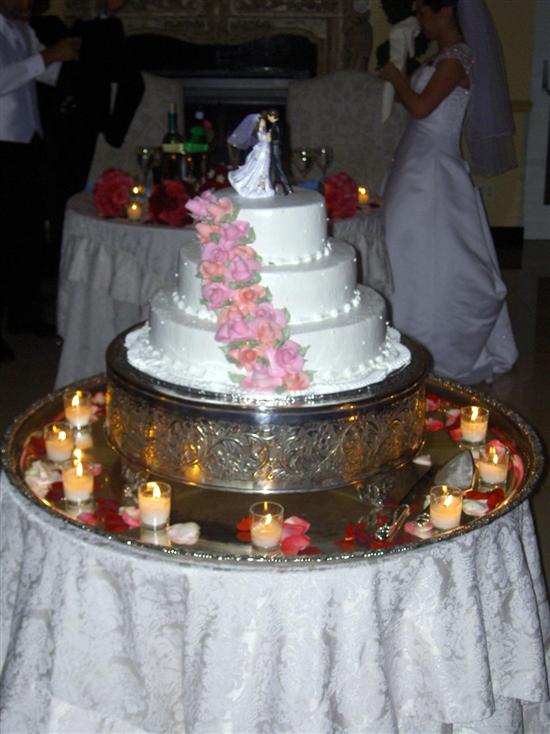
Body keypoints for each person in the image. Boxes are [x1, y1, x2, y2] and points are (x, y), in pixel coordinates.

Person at [380, 0, 518, 384]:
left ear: (445, 12)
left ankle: (432, 342)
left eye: (424, 12)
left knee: (425, 251)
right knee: (404, 248)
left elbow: (422, 108)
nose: (420, 20)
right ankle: (403, 335)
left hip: (433, 167)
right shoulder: (441, 56)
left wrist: (396, 78)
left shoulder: (459, 57)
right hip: (414, 160)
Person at [0, 0, 80, 359]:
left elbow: (45, 73)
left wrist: (62, 54)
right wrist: (47, 56)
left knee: (27, 232)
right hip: (2, 142)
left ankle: (24, 315)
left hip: (26, 140)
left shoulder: (21, 28)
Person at [227, 113, 274, 199]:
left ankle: (262, 187)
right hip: (262, 152)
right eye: (262, 122)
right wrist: (268, 136)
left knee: (264, 169)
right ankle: (260, 187)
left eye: (264, 121)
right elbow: (265, 139)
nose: (264, 123)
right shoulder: (259, 131)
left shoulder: (262, 131)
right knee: (261, 169)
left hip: (265, 151)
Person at [266, 108, 293, 196]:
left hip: (276, 150)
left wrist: (270, 137)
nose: (268, 117)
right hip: (274, 149)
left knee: (279, 169)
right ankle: (272, 187)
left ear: (272, 116)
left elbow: (279, 138)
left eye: (269, 116)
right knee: (273, 169)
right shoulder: (275, 124)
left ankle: (287, 188)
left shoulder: (278, 125)